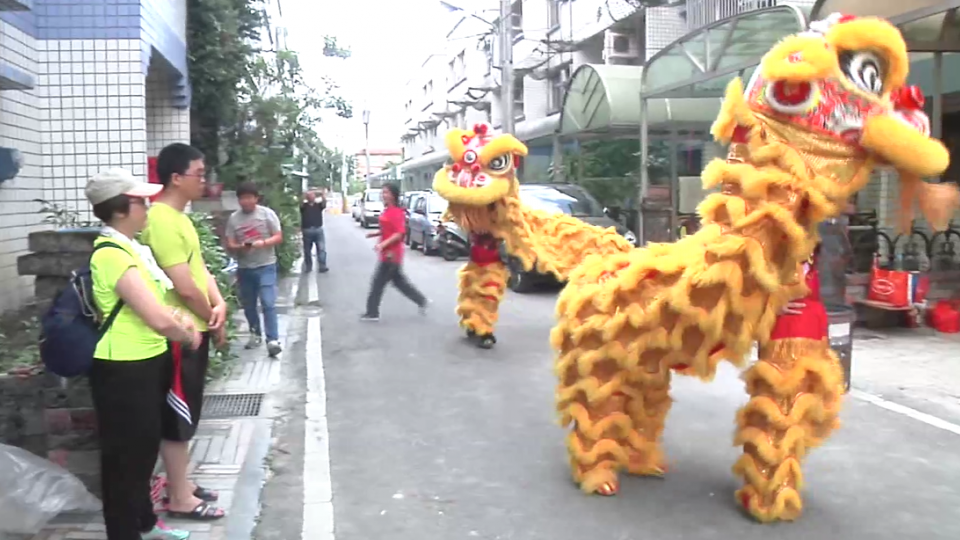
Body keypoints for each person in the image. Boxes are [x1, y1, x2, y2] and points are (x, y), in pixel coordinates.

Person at [85, 168, 198, 540]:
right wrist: (187, 333)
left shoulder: (134, 249)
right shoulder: (111, 254)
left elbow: (162, 302)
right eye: (140, 201)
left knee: (144, 449)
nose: (147, 206)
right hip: (123, 369)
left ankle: (145, 522)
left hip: (149, 361)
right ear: (121, 208)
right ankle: (123, 532)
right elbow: (156, 317)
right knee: (124, 459)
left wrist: (181, 322)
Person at [141, 143, 227, 521]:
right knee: (178, 415)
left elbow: (200, 270)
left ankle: (183, 484)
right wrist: (209, 316)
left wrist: (219, 304)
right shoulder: (159, 219)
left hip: (195, 327)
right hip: (179, 334)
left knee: (186, 410)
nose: (204, 181)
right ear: (176, 178)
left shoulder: (182, 219)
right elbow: (184, 286)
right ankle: (179, 497)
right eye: (199, 173)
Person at [225, 181, 284, 356]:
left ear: (256, 198)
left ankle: (272, 340)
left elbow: (279, 236)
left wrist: (263, 243)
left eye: (249, 197)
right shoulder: (234, 219)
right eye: (242, 198)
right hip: (245, 267)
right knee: (249, 305)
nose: (246, 201)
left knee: (268, 303)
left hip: (266, 265)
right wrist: (240, 247)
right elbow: (230, 242)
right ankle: (255, 334)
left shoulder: (267, 214)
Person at [361, 182, 428, 322]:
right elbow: (387, 229)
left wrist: (383, 244)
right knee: (399, 282)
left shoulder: (397, 212)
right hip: (387, 253)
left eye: (386, 192)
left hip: (392, 254)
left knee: (377, 283)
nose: (383, 195)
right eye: (382, 192)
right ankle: (421, 300)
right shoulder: (387, 210)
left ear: (393, 195)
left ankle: (372, 312)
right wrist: (375, 234)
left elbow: (399, 233)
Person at [300, 190, 328, 272]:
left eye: (312, 196)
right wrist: (304, 194)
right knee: (307, 250)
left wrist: (323, 194)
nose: (311, 197)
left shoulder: (318, 206)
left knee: (321, 248)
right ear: (307, 198)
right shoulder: (304, 206)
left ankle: (322, 266)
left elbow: (324, 203)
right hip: (307, 230)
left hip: (318, 229)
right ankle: (309, 266)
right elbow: (300, 202)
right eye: (309, 196)